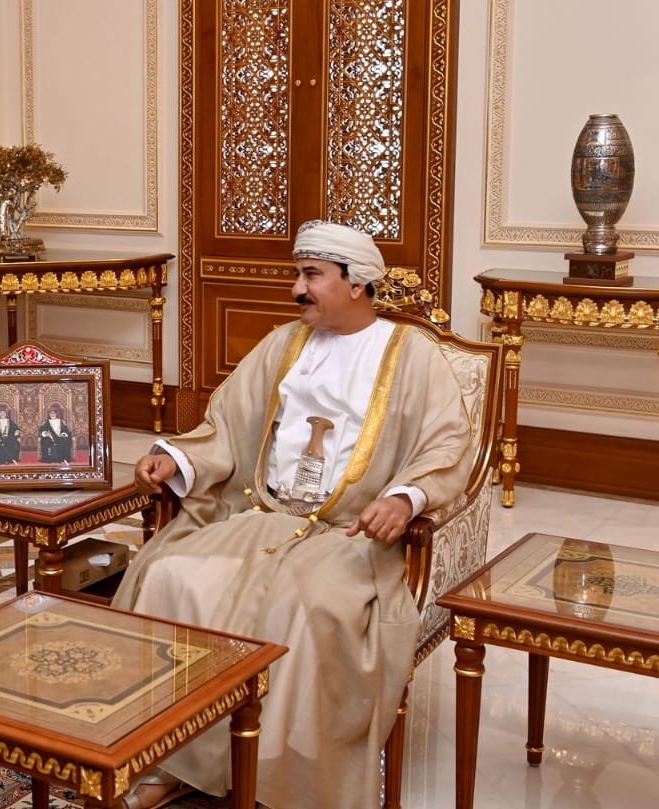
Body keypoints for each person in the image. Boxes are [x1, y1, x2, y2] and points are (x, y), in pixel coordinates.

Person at [111, 221, 472, 809]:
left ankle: (282, 780)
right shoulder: (284, 344)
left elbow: (447, 444)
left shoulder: (414, 357)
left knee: (308, 608)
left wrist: (404, 498)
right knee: (169, 575)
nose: (297, 290)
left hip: (349, 535)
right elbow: (227, 421)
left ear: (357, 284)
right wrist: (172, 457)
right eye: (297, 275)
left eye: (312, 276)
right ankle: (174, 758)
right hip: (264, 513)